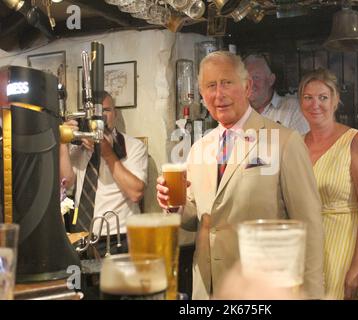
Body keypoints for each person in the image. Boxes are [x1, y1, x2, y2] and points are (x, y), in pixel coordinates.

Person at [157, 51, 324, 300]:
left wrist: (311, 296)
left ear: (247, 87)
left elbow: (309, 227)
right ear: (202, 95)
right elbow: (199, 218)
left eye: (227, 83)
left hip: (264, 291)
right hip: (208, 289)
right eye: (211, 86)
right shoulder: (199, 148)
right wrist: (176, 207)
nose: (219, 94)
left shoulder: (284, 141)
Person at [298, 68, 358, 300]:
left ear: (335, 101)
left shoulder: (356, 141)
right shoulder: (296, 145)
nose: (315, 104)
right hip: (307, 250)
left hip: (344, 247)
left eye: (323, 97)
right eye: (308, 97)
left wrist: (357, 265)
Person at [60, 91, 148, 256]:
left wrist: (107, 153)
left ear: (115, 114)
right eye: (93, 113)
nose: (99, 117)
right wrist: (63, 143)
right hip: (82, 238)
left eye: (106, 111)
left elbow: (136, 193)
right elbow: (66, 183)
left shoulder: (133, 147)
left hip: (119, 237)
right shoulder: (78, 149)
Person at [243, 54, 309, 134]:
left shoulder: (293, 109)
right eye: (245, 78)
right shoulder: (236, 111)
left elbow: (301, 145)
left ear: (271, 80)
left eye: (256, 77)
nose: (250, 84)